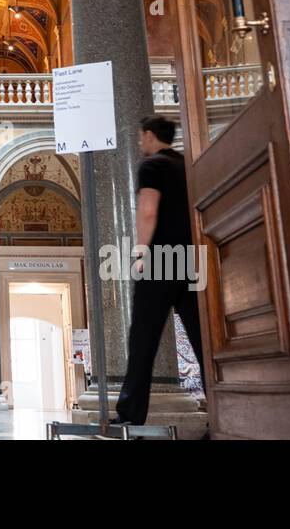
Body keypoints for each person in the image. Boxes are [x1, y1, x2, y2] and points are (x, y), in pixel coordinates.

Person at [112, 116, 207, 428]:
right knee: (202, 338)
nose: (140, 143)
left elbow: (148, 210)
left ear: (150, 136)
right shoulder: (187, 165)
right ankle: (222, 411)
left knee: (143, 338)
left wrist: (140, 252)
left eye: (141, 137)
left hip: (161, 258)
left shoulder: (152, 166)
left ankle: (129, 416)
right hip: (191, 259)